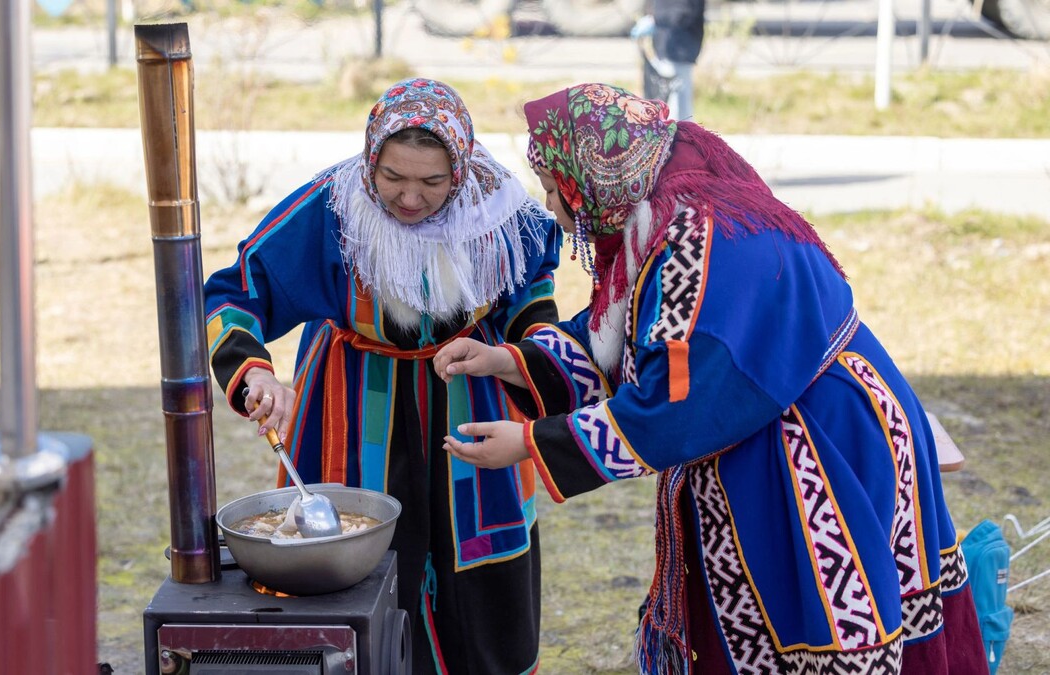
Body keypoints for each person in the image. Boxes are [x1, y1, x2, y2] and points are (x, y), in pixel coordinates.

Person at [433, 83, 989, 674]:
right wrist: (506, 359)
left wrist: (530, 443)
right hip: (786, 414)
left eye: (554, 187)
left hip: (815, 442)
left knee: (815, 622)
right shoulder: (666, 192)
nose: (551, 205)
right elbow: (633, 336)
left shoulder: (692, 241)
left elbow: (675, 402)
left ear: (592, 177)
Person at [203, 77, 561, 674]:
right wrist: (254, 375)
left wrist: (525, 356)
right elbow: (234, 292)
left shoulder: (500, 211)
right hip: (349, 401)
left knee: (478, 561)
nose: (410, 198)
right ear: (370, 159)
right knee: (349, 558)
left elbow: (532, 299)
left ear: (461, 170)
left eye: (432, 182)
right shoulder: (331, 208)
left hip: (469, 396)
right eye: (392, 177)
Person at [634, 0, 704, 122]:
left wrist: (655, 19)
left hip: (681, 50)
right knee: (663, 105)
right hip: (663, 48)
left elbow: (683, 14)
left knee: (678, 108)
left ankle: (681, 132)